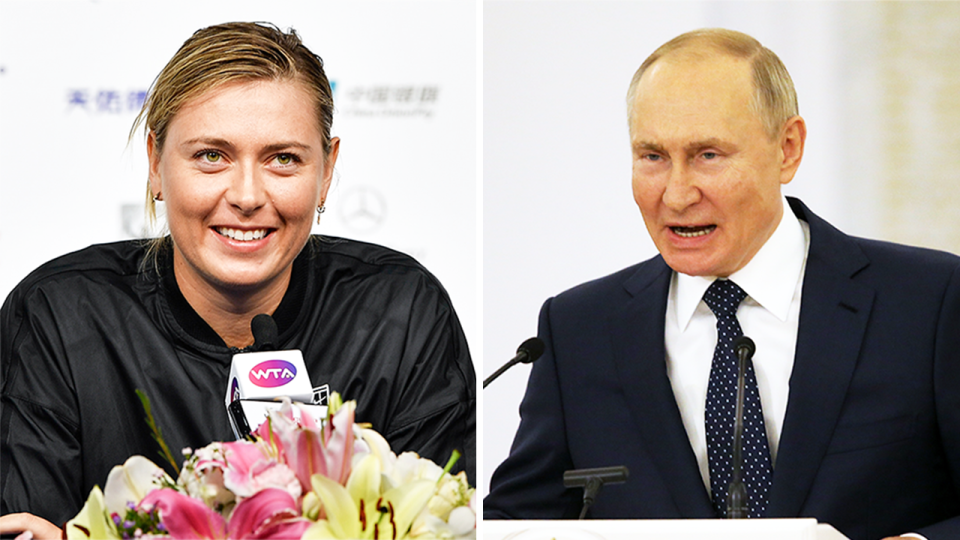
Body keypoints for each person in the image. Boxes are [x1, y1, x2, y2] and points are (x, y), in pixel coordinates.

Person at [0, 21, 475, 538]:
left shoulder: (401, 311)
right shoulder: (59, 313)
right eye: (211, 156)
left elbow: (441, 523)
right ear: (156, 163)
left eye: (283, 159)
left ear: (328, 170)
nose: (247, 196)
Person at [483, 28, 960, 540]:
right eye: (652, 157)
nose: (677, 193)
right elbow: (517, 523)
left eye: (708, 155)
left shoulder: (929, 302)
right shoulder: (578, 329)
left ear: (788, 149)